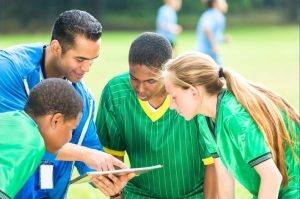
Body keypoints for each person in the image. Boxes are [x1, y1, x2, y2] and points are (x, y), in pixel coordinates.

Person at [0, 9, 133, 198]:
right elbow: (18, 138)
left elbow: (89, 149)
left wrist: (110, 178)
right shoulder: (8, 70)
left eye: (92, 61)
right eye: (80, 59)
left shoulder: (82, 97)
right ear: (56, 48)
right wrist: (85, 155)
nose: (86, 69)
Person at [96, 32, 218, 199]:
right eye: (134, 78)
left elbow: (212, 164)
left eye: (150, 81)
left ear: (167, 72)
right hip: (138, 195)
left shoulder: (189, 93)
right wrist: (116, 195)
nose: (140, 89)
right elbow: (113, 160)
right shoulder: (116, 92)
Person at [162, 51, 300, 198]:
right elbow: (224, 176)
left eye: (174, 97)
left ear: (193, 91)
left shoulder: (234, 116)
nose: (170, 105)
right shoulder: (204, 118)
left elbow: (272, 177)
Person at [0, 78, 83, 199]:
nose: (70, 137)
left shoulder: (11, 119)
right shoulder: (31, 143)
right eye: (71, 129)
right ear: (56, 120)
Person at [196, 0, 229, 65]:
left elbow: (214, 34)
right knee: (219, 71)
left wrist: (223, 38)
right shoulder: (215, 14)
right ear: (215, 3)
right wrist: (214, 45)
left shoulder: (209, 14)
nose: (226, 4)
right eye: (223, 1)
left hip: (206, 53)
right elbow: (207, 28)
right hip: (206, 53)